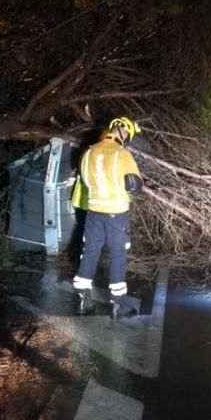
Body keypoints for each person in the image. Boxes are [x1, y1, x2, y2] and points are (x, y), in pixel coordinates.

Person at [71, 116, 143, 318]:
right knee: (118, 254)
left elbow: (85, 181)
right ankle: (118, 303)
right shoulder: (122, 154)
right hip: (116, 214)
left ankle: (84, 298)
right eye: (129, 134)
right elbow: (135, 187)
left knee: (90, 251)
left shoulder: (89, 152)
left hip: (93, 212)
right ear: (124, 132)